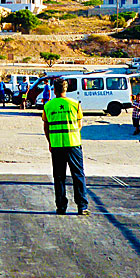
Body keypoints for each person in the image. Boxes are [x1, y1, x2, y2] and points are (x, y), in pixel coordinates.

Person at [42, 78, 88, 215]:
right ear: (66, 89)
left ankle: (61, 207)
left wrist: (50, 142)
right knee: (78, 175)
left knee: (59, 177)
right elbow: (79, 124)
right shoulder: (75, 104)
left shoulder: (48, 106)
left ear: (54, 90)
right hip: (73, 144)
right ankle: (82, 206)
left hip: (57, 145)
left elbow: (46, 127)